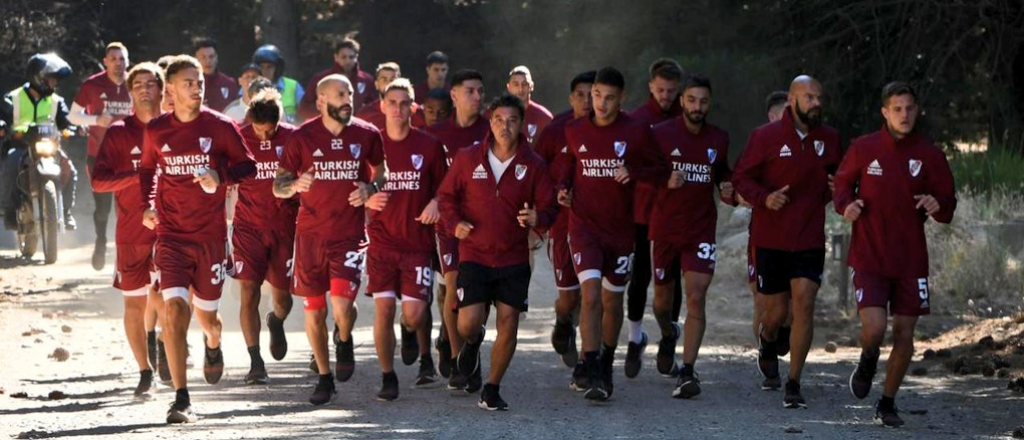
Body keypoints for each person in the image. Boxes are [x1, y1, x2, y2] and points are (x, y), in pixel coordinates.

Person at [138, 55, 256, 423]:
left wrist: (219, 175)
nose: (196, 86)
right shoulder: (157, 129)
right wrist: (146, 206)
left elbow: (248, 166)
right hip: (171, 236)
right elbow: (146, 169)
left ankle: (213, 344)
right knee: (174, 310)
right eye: (188, 82)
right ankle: (181, 398)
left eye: (199, 81)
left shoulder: (220, 126)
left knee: (209, 319)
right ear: (170, 88)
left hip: (210, 238)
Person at [835, 81, 956, 427]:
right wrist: (847, 205)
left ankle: (886, 403)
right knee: (873, 328)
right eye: (897, 109)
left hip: (910, 260)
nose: (904, 115)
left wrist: (938, 204)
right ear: (885, 112)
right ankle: (868, 357)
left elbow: (947, 204)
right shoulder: (864, 148)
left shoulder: (931, 155)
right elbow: (842, 185)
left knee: (905, 334)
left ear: (916, 111)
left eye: (909, 108)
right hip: (870, 255)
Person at [273, 74, 386, 405]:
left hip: (349, 235)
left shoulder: (367, 134)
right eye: (339, 93)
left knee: (342, 307)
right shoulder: (302, 138)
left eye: (349, 92)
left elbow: (383, 171)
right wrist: (295, 186)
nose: (347, 98)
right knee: (314, 311)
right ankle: (324, 377)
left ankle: (345, 338)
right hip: (309, 237)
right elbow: (278, 185)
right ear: (321, 101)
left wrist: (371, 188)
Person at [557, 66, 669, 401]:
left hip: (621, 232)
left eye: (608, 98)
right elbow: (567, 169)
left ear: (621, 99)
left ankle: (606, 359)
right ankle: (593, 368)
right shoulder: (575, 130)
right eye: (596, 96)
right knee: (590, 297)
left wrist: (634, 171)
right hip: (584, 228)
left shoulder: (636, 131)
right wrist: (563, 189)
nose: (601, 104)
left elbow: (662, 171)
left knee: (612, 299)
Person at [438, 93, 556, 410]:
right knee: (467, 323)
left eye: (512, 120)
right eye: (499, 120)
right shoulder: (467, 158)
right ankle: (473, 342)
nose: (505, 126)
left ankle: (491, 388)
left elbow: (549, 207)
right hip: (474, 254)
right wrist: (454, 223)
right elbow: (446, 197)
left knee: (509, 321)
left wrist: (538, 219)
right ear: (490, 122)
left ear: (522, 124)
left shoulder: (534, 165)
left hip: (513, 257)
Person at [732, 75, 841, 408]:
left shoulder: (830, 139)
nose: (816, 103)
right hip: (771, 238)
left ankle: (794, 382)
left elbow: (842, 179)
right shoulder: (765, 137)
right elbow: (741, 178)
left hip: (808, 236)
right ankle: (767, 343)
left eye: (819, 97)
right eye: (808, 97)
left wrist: (840, 190)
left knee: (804, 303)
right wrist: (765, 198)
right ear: (792, 101)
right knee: (775, 314)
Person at [648, 74, 735, 398]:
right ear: (682, 101)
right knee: (661, 301)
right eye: (692, 100)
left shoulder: (719, 138)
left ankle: (687, 370)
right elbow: (643, 171)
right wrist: (664, 179)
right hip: (666, 228)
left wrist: (726, 184)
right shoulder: (660, 134)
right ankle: (668, 331)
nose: (698, 107)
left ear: (709, 104)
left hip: (700, 229)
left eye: (704, 101)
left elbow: (723, 170)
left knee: (696, 296)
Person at [364, 78, 447, 399]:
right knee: (382, 309)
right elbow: (352, 187)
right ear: (382, 105)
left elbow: (447, 189)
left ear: (413, 107)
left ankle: (409, 329)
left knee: (414, 313)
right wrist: (366, 198)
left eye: (404, 103)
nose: (398, 109)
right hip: (382, 244)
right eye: (392, 102)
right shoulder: (372, 145)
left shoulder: (428, 146)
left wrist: (437, 202)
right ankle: (388, 377)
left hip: (417, 245)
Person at [89, 62, 164, 399]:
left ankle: (167, 345)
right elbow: (98, 180)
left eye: (151, 83)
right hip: (132, 234)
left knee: (168, 299)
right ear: (130, 92)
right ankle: (145, 371)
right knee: (134, 305)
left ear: (163, 89)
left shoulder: (178, 129)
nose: (145, 89)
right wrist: (138, 177)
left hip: (172, 232)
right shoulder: (119, 132)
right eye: (138, 85)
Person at [426, 69, 489, 389]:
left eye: (480, 91)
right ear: (454, 95)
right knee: (452, 285)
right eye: (470, 91)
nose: (477, 97)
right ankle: (458, 360)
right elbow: (429, 179)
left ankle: (472, 349)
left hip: (487, 224)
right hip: (449, 224)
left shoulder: (494, 130)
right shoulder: (436, 135)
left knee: (479, 294)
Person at [623, 58, 686, 378]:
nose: (666, 96)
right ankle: (635, 340)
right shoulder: (636, 120)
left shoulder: (685, 118)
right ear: (650, 86)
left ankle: (668, 342)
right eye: (660, 90)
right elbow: (629, 168)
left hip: (674, 215)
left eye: (672, 91)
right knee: (640, 277)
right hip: (641, 211)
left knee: (671, 281)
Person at [231, 88, 298, 385]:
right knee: (248, 292)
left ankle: (276, 321)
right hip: (247, 228)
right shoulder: (238, 137)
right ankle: (255, 361)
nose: (263, 137)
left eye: (268, 131)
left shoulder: (294, 138)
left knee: (282, 299)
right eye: (258, 130)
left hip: (284, 228)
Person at [533, 70, 594, 384]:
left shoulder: (615, 129)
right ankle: (562, 322)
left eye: (592, 94)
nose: (587, 101)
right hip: (563, 225)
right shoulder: (555, 129)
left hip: (600, 227)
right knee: (570, 298)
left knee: (592, 295)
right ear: (571, 98)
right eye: (580, 95)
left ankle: (588, 362)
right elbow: (536, 171)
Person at [70, 43, 134, 269]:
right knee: (103, 206)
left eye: (122, 59)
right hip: (98, 154)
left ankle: (123, 252)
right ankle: (101, 240)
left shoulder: (135, 84)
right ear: (105, 61)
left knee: (127, 207)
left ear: (128, 62)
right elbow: (73, 116)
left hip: (129, 157)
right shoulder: (92, 84)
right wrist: (95, 120)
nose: (118, 63)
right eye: (113, 59)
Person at [0, 53, 77, 235]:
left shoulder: (57, 101)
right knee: (11, 163)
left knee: (71, 170)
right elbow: (2, 117)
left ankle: (65, 212)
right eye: (51, 80)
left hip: (48, 147)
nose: (54, 84)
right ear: (39, 78)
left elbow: (66, 121)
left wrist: (75, 129)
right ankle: (9, 210)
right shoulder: (13, 97)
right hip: (20, 146)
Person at [745, 90, 793, 361]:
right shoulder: (760, 143)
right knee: (764, 302)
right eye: (786, 112)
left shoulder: (806, 144)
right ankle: (767, 356)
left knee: (794, 304)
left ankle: (781, 332)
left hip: (800, 236)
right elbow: (741, 183)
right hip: (762, 236)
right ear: (772, 116)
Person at [299, 37, 374, 118]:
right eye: (343, 57)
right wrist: (328, 116)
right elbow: (304, 108)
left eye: (351, 57)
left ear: (357, 57)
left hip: (357, 128)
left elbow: (375, 108)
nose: (348, 61)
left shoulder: (366, 80)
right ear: (336, 57)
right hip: (328, 128)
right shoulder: (321, 79)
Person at [252, 44, 304, 123]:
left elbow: (305, 113)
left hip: (290, 133)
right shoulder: (250, 87)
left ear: (278, 68)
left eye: (269, 67)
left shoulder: (293, 85)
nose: (265, 71)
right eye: (262, 67)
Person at [505, 65, 553, 144]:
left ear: (531, 86)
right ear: (509, 87)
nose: (520, 89)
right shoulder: (495, 115)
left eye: (525, 84)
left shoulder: (544, 118)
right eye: (516, 84)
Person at [194, 38, 239, 112]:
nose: (208, 61)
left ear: (217, 58)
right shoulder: (190, 84)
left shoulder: (229, 83)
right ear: (196, 59)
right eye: (203, 57)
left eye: (211, 57)